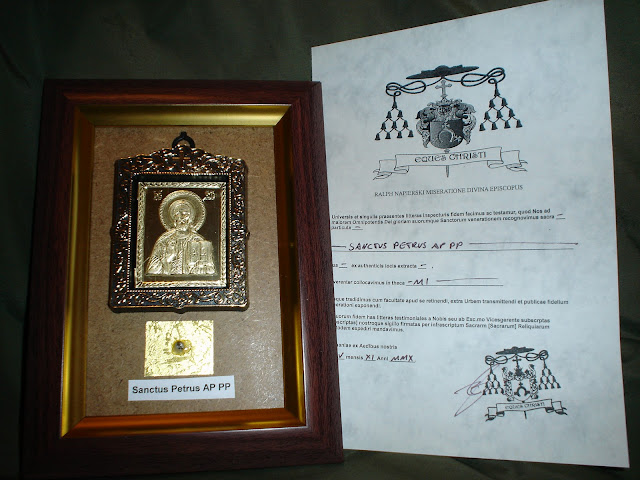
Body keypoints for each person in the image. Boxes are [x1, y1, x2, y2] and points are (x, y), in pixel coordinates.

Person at [147, 190, 216, 276]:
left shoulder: (198, 241)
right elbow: (152, 272)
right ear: (173, 218)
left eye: (185, 214)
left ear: (191, 218)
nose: (181, 218)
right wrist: (166, 260)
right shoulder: (164, 241)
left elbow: (210, 270)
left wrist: (199, 267)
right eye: (177, 214)